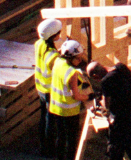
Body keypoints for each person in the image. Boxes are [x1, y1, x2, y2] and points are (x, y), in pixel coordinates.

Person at [49, 39, 94, 160]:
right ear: (70, 57)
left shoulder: (58, 61)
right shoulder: (72, 73)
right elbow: (76, 96)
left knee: (60, 136)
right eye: (78, 58)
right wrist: (89, 97)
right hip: (69, 111)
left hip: (56, 108)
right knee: (71, 139)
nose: (80, 61)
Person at [95, 59, 131, 160]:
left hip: (118, 119)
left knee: (115, 149)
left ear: (95, 76)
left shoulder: (106, 81)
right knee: (129, 145)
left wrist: (101, 104)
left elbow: (107, 104)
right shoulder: (121, 67)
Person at [34, 18, 64, 151]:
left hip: (40, 87)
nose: (60, 35)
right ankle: (48, 148)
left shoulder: (39, 43)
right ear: (54, 35)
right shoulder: (51, 54)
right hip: (49, 90)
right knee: (50, 120)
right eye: (59, 33)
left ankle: (42, 144)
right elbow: (59, 68)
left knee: (43, 116)